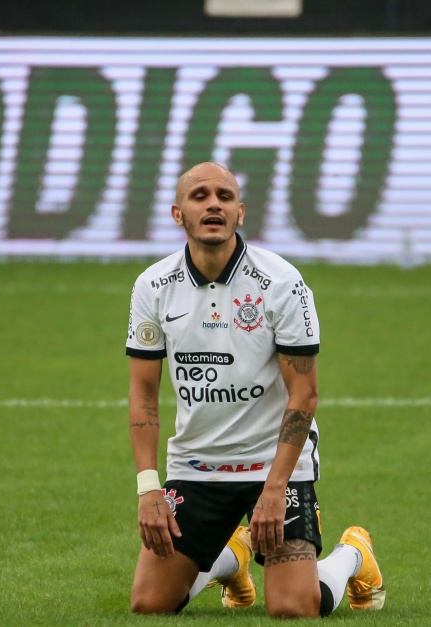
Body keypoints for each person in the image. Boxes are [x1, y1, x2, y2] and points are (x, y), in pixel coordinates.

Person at [125, 161, 385, 618]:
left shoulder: (282, 283)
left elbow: (304, 395)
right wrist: (150, 489)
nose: (213, 204)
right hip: (196, 465)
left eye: (224, 196)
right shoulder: (152, 286)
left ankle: (353, 554)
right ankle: (235, 557)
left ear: (240, 213)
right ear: (177, 213)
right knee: (150, 603)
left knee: (293, 608)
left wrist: (275, 485)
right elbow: (144, 396)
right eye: (200, 195)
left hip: (274, 465)